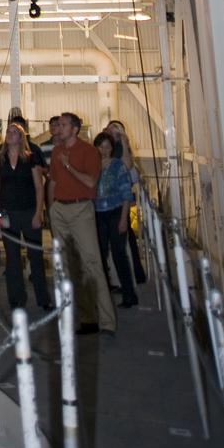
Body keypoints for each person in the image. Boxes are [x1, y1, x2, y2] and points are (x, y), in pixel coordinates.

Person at [49, 112, 116, 336]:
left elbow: (90, 181)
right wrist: (51, 209)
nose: (60, 127)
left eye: (65, 124)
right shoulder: (57, 151)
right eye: (60, 124)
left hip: (81, 209)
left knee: (92, 263)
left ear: (75, 129)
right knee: (68, 267)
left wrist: (69, 166)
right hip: (60, 209)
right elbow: (54, 181)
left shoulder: (89, 152)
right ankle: (83, 318)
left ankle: (107, 321)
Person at [0, 122, 52, 310]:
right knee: (12, 257)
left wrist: (39, 213)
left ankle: (43, 299)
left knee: (35, 255)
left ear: (21, 136)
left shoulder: (30, 158)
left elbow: (39, 187)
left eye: (14, 132)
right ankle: (16, 298)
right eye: (8, 131)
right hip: (7, 212)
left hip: (29, 211)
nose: (10, 134)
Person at [93, 132, 138, 308]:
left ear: (112, 148)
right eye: (101, 146)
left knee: (119, 254)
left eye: (107, 146)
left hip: (115, 212)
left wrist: (123, 219)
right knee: (101, 254)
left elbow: (126, 192)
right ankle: (104, 296)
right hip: (97, 214)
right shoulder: (93, 166)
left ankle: (129, 294)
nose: (104, 150)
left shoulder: (118, 165)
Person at [104, 119, 147, 284]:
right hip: (107, 201)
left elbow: (128, 165)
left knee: (126, 238)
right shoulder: (105, 148)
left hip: (120, 200)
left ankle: (134, 274)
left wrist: (122, 139)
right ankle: (117, 277)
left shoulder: (122, 149)